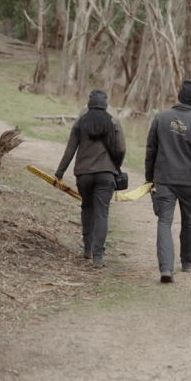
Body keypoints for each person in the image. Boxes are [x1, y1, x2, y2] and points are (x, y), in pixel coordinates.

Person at [145, 80, 191, 283]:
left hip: (165, 179)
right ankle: (186, 262)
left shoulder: (161, 118)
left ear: (179, 96)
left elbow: (151, 149)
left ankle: (166, 268)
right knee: (189, 220)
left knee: (164, 221)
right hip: (189, 182)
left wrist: (149, 177)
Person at [56, 89, 126, 269]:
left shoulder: (81, 122)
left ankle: (87, 248)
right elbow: (121, 149)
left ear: (89, 103)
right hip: (106, 174)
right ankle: (98, 257)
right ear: (105, 104)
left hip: (84, 174)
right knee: (102, 212)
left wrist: (60, 171)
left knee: (87, 207)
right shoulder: (113, 121)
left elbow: (70, 149)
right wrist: (115, 166)